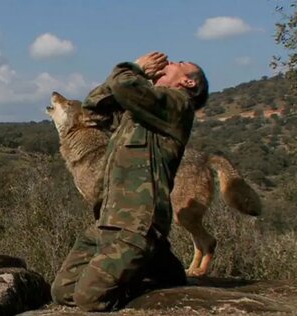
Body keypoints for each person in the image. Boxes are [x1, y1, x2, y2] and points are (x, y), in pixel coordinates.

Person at [51, 52, 209, 312]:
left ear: (188, 83)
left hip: (137, 225)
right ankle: (160, 266)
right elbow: (92, 106)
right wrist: (135, 75)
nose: (169, 63)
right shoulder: (141, 104)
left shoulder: (177, 103)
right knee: (63, 291)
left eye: (179, 64)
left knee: (89, 298)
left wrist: (135, 68)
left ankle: (155, 270)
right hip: (109, 223)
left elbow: (123, 85)